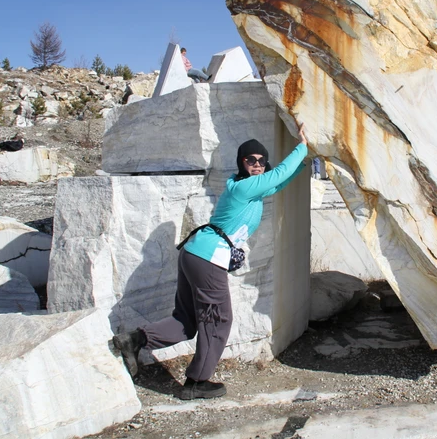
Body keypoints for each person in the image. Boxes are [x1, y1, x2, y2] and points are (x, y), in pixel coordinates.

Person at [113, 124, 309, 400]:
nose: (256, 164)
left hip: (195, 255)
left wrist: (305, 164)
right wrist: (303, 146)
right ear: (241, 162)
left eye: (261, 160)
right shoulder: (244, 187)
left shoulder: (249, 189)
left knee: (188, 320)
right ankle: (196, 382)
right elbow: (278, 174)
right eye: (250, 159)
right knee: (219, 320)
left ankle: (134, 340)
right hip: (207, 258)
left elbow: (278, 182)